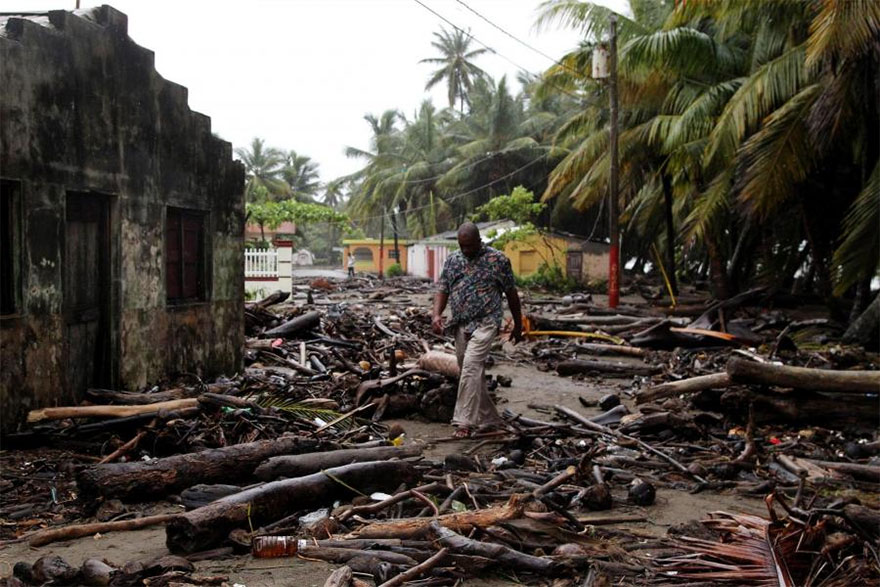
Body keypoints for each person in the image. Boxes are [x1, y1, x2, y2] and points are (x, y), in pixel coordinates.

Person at [432, 222, 523, 438]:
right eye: (462, 246)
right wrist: (436, 314)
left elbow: (511, 294)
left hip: (487, 322)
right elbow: (443, 289)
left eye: (470, 246)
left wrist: (518, 325)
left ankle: (464, 422)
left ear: (479, 241)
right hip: (461, 323)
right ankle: (490, 419)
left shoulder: (498, 260)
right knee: (469, 372)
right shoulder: (453, 260)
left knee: (472, 365)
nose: (466, 251)